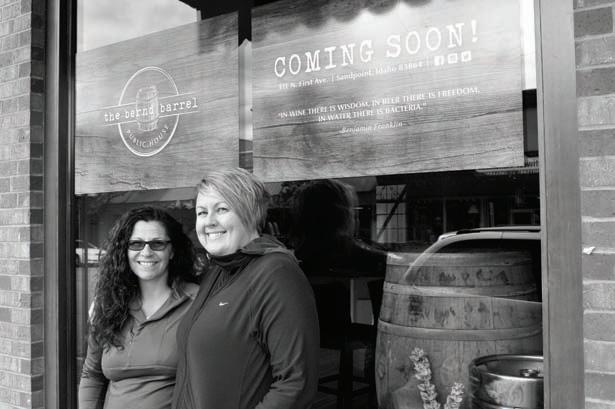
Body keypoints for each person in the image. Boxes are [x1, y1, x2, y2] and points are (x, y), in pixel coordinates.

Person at [172, 168, 319, 409]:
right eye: (202, 212)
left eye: (222, 209)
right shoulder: (218, 271)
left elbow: (296, 384)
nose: (209, 221)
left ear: (250, 212)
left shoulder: (277, 272)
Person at [79, 206, 199, 409]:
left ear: (172, 251)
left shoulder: (195, 302)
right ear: (124, 251)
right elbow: (92, 374)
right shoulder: (108, 305)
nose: (146, 252)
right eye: (136, 244)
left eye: (157, 244)